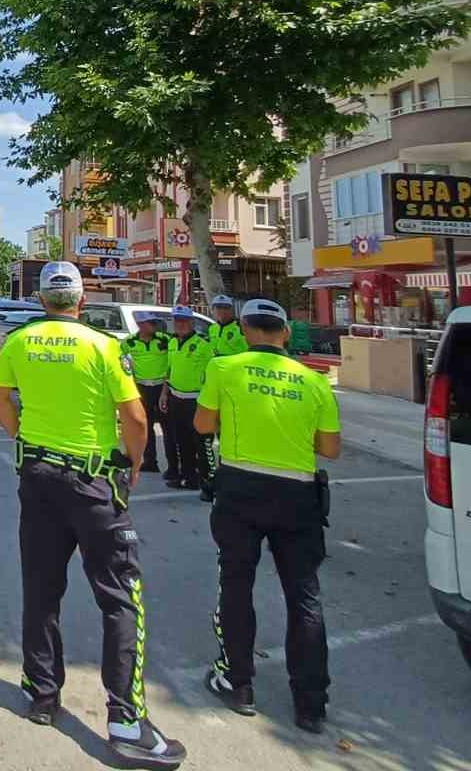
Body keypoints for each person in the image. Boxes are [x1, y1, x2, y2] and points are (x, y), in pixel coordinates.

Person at [0, 262, 186, 770]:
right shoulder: (103, 346)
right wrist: (136, 460)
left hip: (37, 478)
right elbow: (135, 415)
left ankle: (41, 693)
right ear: (81, 298)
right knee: (120, 597)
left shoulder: (21, 341)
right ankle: (125, 720)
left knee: (41, 586)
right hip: (93, 482)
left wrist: (21, 436)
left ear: (39, 298)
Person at [195, 298, 340, 733]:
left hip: (240, 487)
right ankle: (311, 703)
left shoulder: (225, 369)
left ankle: (238, 683)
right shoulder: (314, 381)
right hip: (298, 493)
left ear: (242, 331)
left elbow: (203, 425)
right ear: (285, 333)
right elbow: (330, 448)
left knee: (236, 584)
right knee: (304, 595)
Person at [163, 306, 215, 496]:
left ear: (192, 323)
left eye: (184, 321)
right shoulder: (172, 342)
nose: (180, 325)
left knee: (202, 443)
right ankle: (188, 478)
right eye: (177, 321)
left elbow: (213, 373)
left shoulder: (203, 344)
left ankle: (208, 482)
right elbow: (169, 371)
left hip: (197, 400)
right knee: (182, 441)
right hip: (176, 398)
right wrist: (164, 393)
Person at [121, 315, 171, 474]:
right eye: (152, 323)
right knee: (146, 426)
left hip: (162, 387)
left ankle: (173, 466)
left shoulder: (164, 340)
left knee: (167, 427)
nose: (155, 326)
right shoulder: (129, 342)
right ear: (141, 325)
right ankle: (150, 462)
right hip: (142, 387)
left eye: (155, 323)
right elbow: (120, 359)